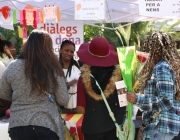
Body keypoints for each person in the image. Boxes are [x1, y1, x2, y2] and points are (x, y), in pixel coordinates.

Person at [0, 29, 69, 140]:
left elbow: (3, 94)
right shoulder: (53, 68)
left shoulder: (13, 66)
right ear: (48, 48)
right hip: (47, 125)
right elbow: (63, 100)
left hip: (18, 127)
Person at [127, 31, 180, 140]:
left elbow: (166, 101)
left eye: (148, 47)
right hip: (160, 127)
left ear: (154, 48)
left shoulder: (162, 68)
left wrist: (137, 98)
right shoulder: (164, 66)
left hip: (160, 126)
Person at [76, 37, 126, 140]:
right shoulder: (120, 78)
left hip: (92, 129)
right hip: (114, 128)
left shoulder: (82, 80)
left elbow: (81, 109)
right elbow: (123, 102)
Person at [59, 40, 82, 113]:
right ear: (60, 50)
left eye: (71, 52)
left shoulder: (78, 66)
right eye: (66, 50)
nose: (69, 53)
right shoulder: (54, 68)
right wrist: (67, 85)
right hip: (61, 107)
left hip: (77, 106)